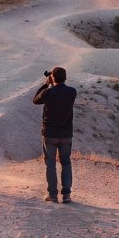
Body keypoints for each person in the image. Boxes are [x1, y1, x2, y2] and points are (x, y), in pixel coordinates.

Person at [32, 66, 77, 203]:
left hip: (50, 134)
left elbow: (35, 100)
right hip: (66, 134)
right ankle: (67, 195)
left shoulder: (48, 93)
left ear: (52, 77)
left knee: (50, 164)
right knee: (66, 163)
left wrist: (46, 84)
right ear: (65, 78)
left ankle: (52, 195)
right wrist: (52, 83)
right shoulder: (72, 92)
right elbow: (62, 92)